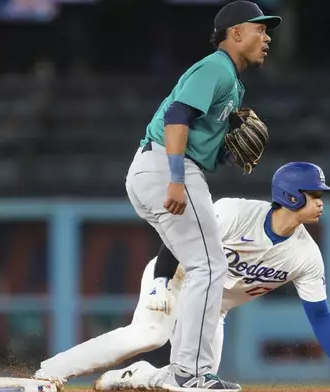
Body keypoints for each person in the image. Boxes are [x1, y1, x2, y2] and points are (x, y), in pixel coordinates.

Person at [34, 162, 330, 392]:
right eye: (314, 194)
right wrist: (160, 279)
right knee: (150, 332)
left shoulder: (306, 256)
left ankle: (137, 377)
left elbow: (319, 315)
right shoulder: (233, 213)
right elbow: (178, 238)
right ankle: (52, 372)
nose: (321, 201)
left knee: (196, 385)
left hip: (212, 310)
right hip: (175, 280)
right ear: (291, 196)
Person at [122, 1, 278, 391]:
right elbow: (176, 115)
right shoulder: (216, 68)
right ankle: (188, 374)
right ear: (236, 33)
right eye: (259, 29)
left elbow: (202, 139)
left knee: (204, 266)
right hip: (167, 167)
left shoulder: (232, 83)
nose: (266, 36)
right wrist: (175, 179)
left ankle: (188, 372)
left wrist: (225, 151)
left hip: (161, 168)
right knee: (209, 267)